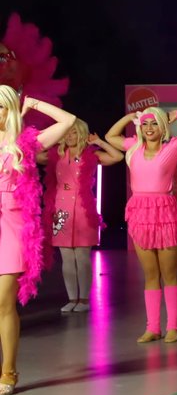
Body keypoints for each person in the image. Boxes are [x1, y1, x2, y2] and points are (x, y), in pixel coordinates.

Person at [106, 107, 177, 343]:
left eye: (154, 124)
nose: (149, 128)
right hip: (140, 213)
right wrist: (129, 118)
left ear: (162, 126)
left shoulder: (173, 146)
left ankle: (172, 326)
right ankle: (152, 327)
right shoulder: (133, 147)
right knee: (150, 275)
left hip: (165, 212)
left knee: (169, 273)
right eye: (145, 124)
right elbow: (110, 137)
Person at [0, 88, 75, 395]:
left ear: (9, 110)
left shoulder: (25, 144)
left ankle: (9, 371)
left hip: (13, 226)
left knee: (3, 302)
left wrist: (34, 104)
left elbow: (68, 120)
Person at [40, 119, 124, 312]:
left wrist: (100, 142)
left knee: (82, 256)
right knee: (67, 257)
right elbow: (35, 155)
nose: (70, 136)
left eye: (74, 133)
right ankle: (72, 298)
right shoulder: (56, 154)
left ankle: (84, 300)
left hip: (84, 210)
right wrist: (52, 138)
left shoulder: (91, 155)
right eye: (67, 133)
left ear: (82, 135)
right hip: (60, 211)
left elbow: (117, 156)